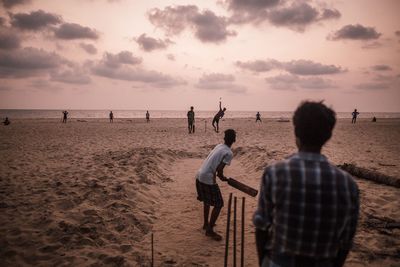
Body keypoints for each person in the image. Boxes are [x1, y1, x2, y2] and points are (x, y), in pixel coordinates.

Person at [254, 101, 359, 267]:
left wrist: (263, 262)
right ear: (328, 136)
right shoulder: (348, 184)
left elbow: (261, 227)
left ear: (296, 132)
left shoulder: (274, 173)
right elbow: (345, 242)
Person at [196, 129, 236, 241]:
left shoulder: (219, 146)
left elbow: (216, 167)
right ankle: (209, 230)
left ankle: (206, 224)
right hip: (208, 177)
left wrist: (219, 175)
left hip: (199, 175)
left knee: (207, 201)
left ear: (224, 138)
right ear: (234, 140)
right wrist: (222, 177)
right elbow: (219, 170)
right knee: (219, 204)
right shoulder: (229, 153)